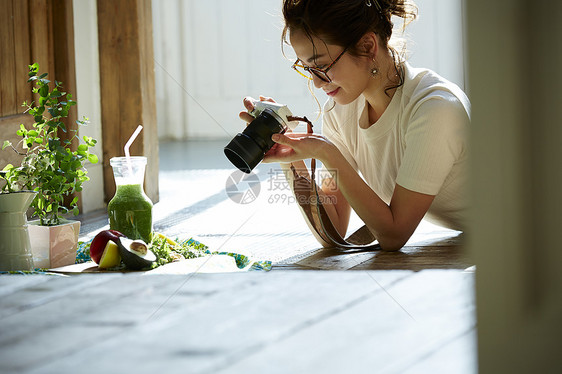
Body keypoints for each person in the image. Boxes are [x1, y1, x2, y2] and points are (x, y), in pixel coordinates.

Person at [239, 0, 470, 251]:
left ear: (367, 46)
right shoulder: (341, 110)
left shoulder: (434, 108)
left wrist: (326, 152)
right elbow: (334, 228)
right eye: (307, 69)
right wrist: (286, 148)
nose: (317, 83)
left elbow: (394, 235)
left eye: (322, 66)